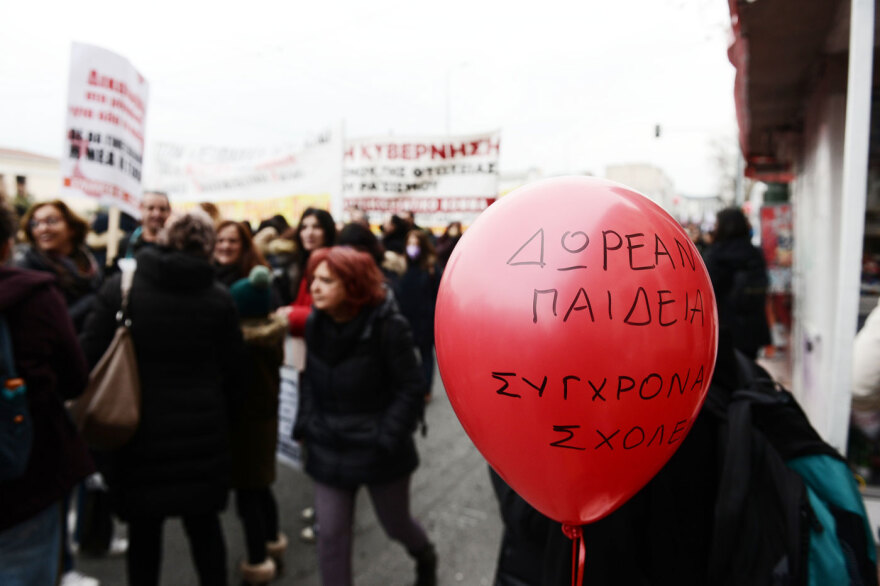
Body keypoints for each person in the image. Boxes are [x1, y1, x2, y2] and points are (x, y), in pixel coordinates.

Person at [80, 210, 246, 586]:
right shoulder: (218, 297)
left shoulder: (122, 287)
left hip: (135, 430)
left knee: (144, 536)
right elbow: (237, 373)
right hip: (202, 434)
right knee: (205, 531)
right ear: (207, 246)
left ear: (164, 238)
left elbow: (89, 354)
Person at [293, 246, 437, 586]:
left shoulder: (389, 327)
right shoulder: (316, 323)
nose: (314, 287)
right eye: (314, 278)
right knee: (330, 535)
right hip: (329, 445)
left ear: (354, 285)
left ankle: (424, 554)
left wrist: (386, 436)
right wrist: (306, 423)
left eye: (326, 280)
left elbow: (410, 387)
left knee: (396, 523)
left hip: (379, 449)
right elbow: (309, 379)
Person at [0, 197, 96, 586]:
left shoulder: (84, 269)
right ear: (9, 244)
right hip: (29, 471)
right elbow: (75, 378)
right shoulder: (35, 295)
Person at [227, 266, 288, 585]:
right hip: (264, 426)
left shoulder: (244, 347)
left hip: (245, 430)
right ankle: (272, 541)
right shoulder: (271, 338)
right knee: (262, 490)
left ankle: (257, 558)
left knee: (248, 497)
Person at [15, 199, 103, 333]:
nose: (42, 228)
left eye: (51, 221)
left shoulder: (89, 261)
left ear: (72, 228)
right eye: (35, 223)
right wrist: (93, 300)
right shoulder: (28, 269)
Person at [702, 207, 771, 359]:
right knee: (749, 371)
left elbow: (707, 291)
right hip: (753, 327)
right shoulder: (754, 252)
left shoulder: (715, 255)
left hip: (725, 328)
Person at [395, 229, 441, 399]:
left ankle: (426, 389)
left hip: (425, 319)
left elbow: (438, 293)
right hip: (405, 318)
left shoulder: (430, 267)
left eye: (416, 244)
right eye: (410, 243)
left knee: (426, 355)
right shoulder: (401, 266)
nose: (412, 247)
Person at [276, 207, 336, 334]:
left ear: (328, 231)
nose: (309, 233)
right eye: (304, 227)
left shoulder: (334, 264)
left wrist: (291, 314)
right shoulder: (303, 262)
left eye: (316, 227)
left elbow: (331, 314)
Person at [213, 219, 270, 287]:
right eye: (220, 240)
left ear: (244, 245)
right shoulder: (204, 277)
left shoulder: (257, 280)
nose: (226, 246)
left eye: (232, 241)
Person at [119, 191, 171, 260]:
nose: (157, 214)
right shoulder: (128, 242)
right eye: (151, 208)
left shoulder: (174, 244)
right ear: (141, 209)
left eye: (162, 209)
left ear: (169, 211)